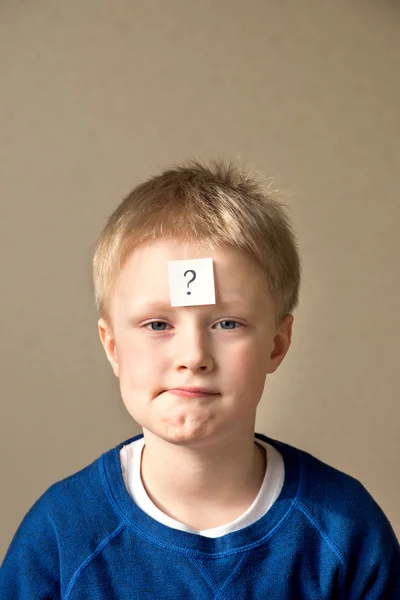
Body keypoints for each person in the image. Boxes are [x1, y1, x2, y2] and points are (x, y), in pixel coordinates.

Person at [1, 160, 399, 599]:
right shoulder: (61, 535)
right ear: (112, 347)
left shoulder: (348, 530)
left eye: (227, 324)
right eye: (157, 325)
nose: (193, 357)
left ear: (276, 344)